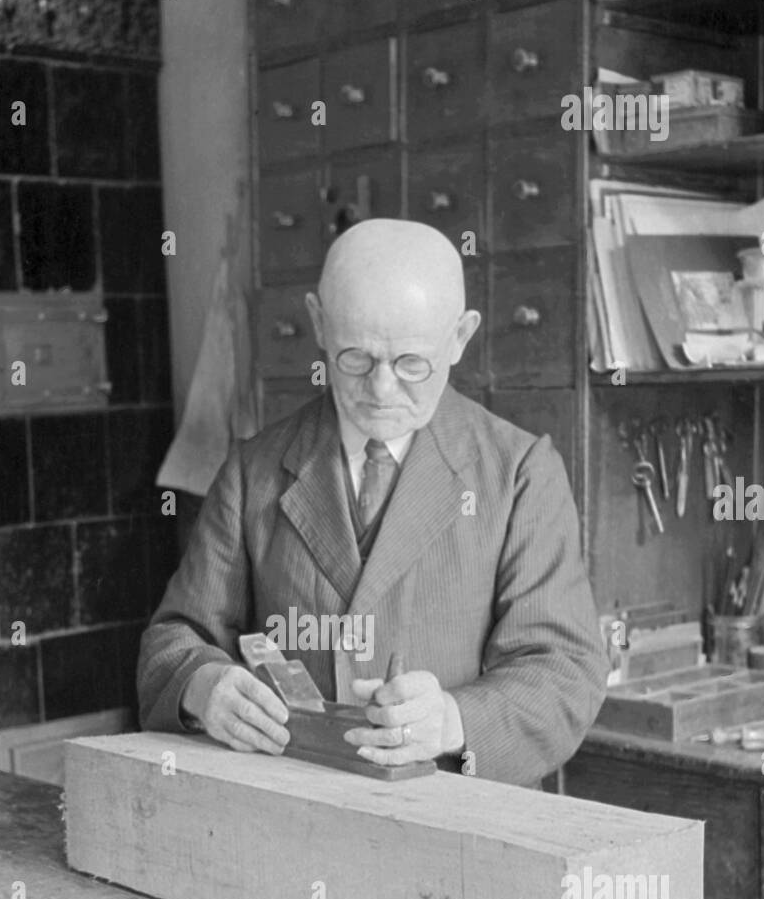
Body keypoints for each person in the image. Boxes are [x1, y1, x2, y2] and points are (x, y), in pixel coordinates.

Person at [137, 219, 606, 787]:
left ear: (460, 336)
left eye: (412, 363)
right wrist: (203, 686)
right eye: (355, 359)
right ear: (318, 323)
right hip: (296, 808)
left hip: (457, 821)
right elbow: (173, 638)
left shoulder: (519, 474)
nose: (381, 391)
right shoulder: (253, 470)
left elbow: (565, 668)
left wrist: (454, 722)